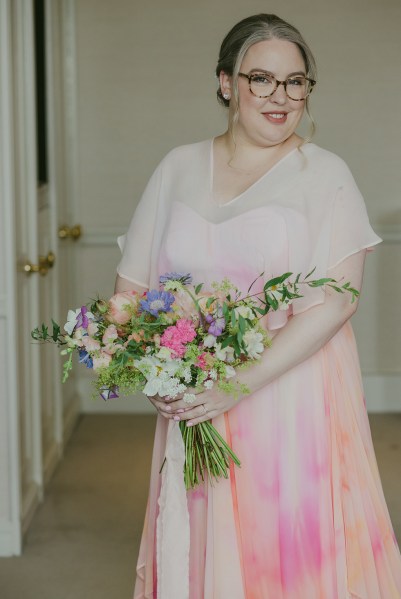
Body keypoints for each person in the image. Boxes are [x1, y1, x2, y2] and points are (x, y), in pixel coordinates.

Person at [115, 13, 401, 599]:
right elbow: (131, 292)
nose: (281, 97)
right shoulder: (177, 167)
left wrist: (237, 383)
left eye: (296, 82)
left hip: (290, 400)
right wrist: (155, 376)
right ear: (227, 82)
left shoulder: (325, 175)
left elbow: (336, 304)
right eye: (262, 79)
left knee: (284, 557)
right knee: (199, 547)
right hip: (193, 402)